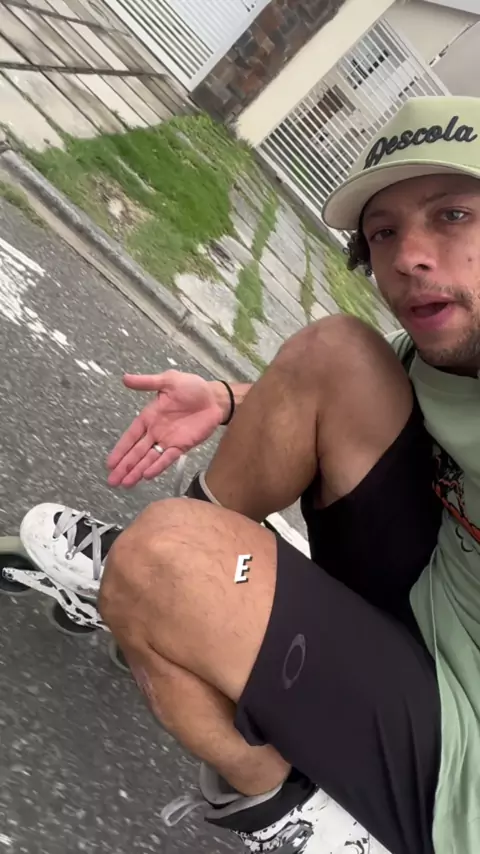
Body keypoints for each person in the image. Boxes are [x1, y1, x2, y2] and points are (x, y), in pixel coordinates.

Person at [21, 94, 480, 854]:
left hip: (462, 757)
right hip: (427, 597)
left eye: (453, 215)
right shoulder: (443, 352)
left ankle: (292, 808)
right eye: (384, 232)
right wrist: (231, 401)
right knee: (337, 353)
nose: (408, 257)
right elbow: (347, 404)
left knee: (162, 558)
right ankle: (159, 603)